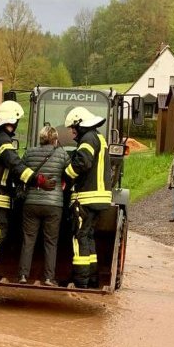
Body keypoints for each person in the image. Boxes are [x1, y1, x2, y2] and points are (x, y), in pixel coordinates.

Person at [0, 101, 56, 282]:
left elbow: (6, 167)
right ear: (12, 121)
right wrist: (38, 180)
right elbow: (14, 164)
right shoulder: (2, 139)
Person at [63, 106, 112, 289]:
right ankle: (92, 277)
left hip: (86, 197)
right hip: (99, 198)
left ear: (80, 123)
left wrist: (66, 174)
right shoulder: (99, 137)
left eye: (72, 127)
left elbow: (82, 162)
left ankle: (80, 280)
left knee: (80, 237)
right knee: (89, 237)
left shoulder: (88, 139)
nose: (71, 131)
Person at [18, 125, 69, 285]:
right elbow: (70, 174)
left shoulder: (29, 153)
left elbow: (21, 173)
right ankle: (48, 278)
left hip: (31, 203)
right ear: (55, 139)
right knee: (51, 242)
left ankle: (23, 276)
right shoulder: (62, 154)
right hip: (54, 205)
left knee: (28, 240)